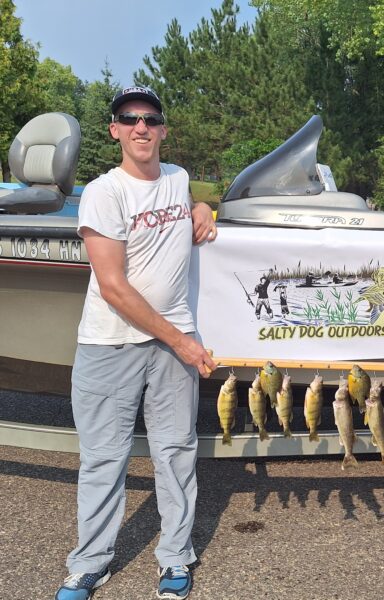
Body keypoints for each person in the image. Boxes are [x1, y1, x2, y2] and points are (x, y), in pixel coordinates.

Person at [54, 85, 218, 600]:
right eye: (129, 119)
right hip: (111, 345)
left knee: (176, 453)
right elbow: (114, 288)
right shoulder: (105, 192)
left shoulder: (178, 177)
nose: (141, 127)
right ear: (115, 131)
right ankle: (90, 564)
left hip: (172, 345)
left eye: (150, 118)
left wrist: (205, 207)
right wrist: (185, 344)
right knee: (104, 459)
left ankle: (175, 559)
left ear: (164, 130)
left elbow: (191, 199)